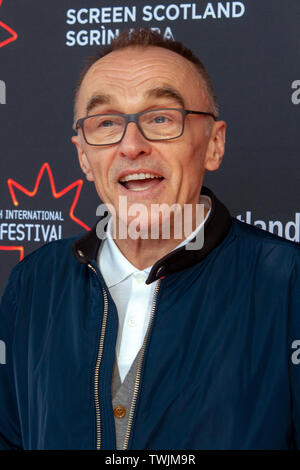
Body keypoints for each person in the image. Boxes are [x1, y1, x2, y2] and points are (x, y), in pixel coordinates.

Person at [0, 28, 300, 451]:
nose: (131, 145)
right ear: (84, 156)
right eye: (106, 123)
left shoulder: (288, 285)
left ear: (214, 144)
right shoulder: (33, 283)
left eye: (161, 118)